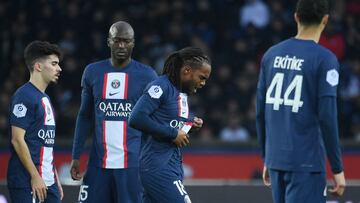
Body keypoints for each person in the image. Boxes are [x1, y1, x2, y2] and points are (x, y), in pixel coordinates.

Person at [256, 0, 346, 202]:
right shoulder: (326, 59)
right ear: (325, 20)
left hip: (276, 161)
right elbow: (327, 116)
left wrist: (267, 158)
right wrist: (337, 168)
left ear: (296, 17)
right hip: (307, 164)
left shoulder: (271, 55)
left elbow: (260, 112)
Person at [70, 21, 157, 203]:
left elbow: (156, 118)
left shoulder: (147, 75)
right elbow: (85, 115)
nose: (122, 45)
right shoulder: (92, 72)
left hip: (132, 166)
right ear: (108, 41)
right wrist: (76, 155)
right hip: (98, 165)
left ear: (133, 43)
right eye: (117, 40)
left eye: (126, 41)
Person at [129, 47, 211, 203]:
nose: (203, 83)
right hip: (157, 167)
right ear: (186, 71)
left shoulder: (181, 92)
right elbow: (136, 117)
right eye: (201, 77)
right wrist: (173, 134)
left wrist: (189, 125)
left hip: (171, 165)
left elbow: (168, 123)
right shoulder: (161, 87)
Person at [7, 40, 63, 203]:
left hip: (48, 180)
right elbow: (17, 140)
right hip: (27, 181)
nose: (59, 69)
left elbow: (44, 142)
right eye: (54, 64)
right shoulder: (24, 96)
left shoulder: (45, 98)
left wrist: (54, 177)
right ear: (38, 66)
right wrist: (35, 176)